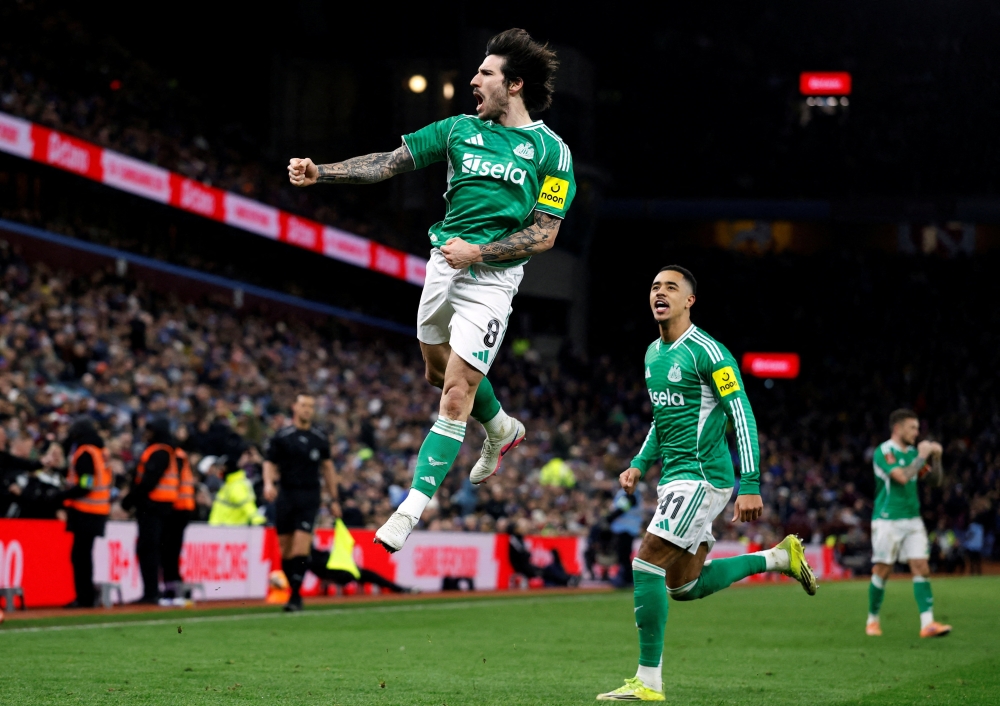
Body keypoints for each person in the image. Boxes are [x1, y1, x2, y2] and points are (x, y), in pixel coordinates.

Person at [287, 28, 576, 553]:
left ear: (514, 85)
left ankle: (408, 510)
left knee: (456, 392)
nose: (473, 80)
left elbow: (545, 233)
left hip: (492, 279)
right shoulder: (456, 129)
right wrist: (320, 171)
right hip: (444, 266)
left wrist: (480, 253)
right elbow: (387, 162)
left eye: (485, 73)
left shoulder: (552, 152)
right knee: (434, 370)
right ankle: (503, 427)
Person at [597, 267, 817, 702]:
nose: (660, 293)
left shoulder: (709, 352)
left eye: (671, 288)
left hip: (702, 477)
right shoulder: (651, 354)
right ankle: (778, 557)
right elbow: (663, 419)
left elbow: (742, 414)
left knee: (646, 563)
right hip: (674, 479)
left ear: (689, 301)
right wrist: (640, 463)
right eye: (655, 286)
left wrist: (750, 482)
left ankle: (648, 681)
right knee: (683, 586)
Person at [865, 409, 950, 638]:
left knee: (921, 566)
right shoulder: (884, 452)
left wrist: (937, 458)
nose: (917, 432)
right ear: (898, 428)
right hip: (887, 520)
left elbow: (935, 481)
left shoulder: (913, 452)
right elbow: (901, 477)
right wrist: (922, 456)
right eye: (912, 428)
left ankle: (927, 624)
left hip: (913, 519)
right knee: (883, 570)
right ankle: (872, 620)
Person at [262, 395, 340, 612]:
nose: (307, 410)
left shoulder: (319, 437)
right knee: (285, 549)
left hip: (309, 496)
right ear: (294, 407)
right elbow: (269, 462)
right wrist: (268, 484)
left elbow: (328, 469)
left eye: (311, 407)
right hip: (285, 495)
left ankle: (295, 595)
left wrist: (334, 499)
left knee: (300, 544)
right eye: (304, 405)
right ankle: (293, 592)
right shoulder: (282, 436)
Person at [122, 418, 178, 604]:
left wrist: (129, 501)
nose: (145, 434)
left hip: (152, 507)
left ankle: (151, 592)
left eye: (149, 430)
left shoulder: (159, 451)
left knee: (148, 549)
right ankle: (154, 591)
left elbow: (148, 481)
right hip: (162, 507)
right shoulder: (165, 450)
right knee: (154, 549)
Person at [59, 418, 110, 608]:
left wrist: (64, 495)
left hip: (85, 512)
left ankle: (85, 597)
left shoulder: (85, 453)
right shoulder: (99, 452)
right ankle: (87, 596)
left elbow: (86, 484)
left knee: (80, 556)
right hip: (98, 510)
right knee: (84, 555)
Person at [160, 446, 196, 606]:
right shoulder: (181, 455)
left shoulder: (175, 456)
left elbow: (174, 481)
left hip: (177, 508)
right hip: (184, 506)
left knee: (169, 551)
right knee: (172, 551)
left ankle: (172, 588)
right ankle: (175, 587)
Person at [208, 441, 266, 527]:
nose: (220, 471)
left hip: (232, 532)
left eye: (222, 468)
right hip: (221, 530)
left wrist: (259, 521)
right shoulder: (230, 484)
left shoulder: (237, 486)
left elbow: (248, 506)